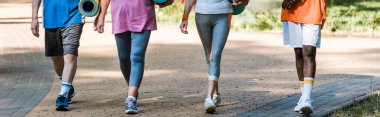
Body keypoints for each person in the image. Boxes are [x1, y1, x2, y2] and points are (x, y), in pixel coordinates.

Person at [94, 0, 173, 114]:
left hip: (143, 13)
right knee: (124, 59)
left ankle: (131, 98)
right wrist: (101, 15)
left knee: (137, 56)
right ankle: (132, 86)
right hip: (120, 15)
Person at [180, 0, 247, 113]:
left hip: (223, 14)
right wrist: (185, 17)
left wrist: (242, 2)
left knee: (215, 55)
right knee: (209, 56)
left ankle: (209, 98)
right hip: (201, 15)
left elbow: (243, 2)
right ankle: (216, 94)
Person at [31, 0, 84, 111]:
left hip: (75, 15)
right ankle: (67, 85)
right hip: (51, 18)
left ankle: (63, 94)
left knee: (70, 55)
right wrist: (34, 18)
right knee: (55, 57)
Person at [281, 0, 326, 115]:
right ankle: (303, 97)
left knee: (309, 51)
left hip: (312, 8)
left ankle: (307, 99)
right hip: (292, 10)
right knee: (299, 53)